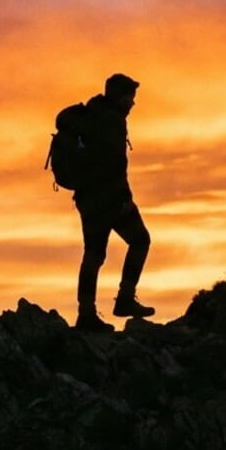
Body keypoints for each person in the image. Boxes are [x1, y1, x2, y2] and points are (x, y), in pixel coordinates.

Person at [73, 73, 153, 331]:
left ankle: (86, 314)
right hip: (108, 200)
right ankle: (125, 300)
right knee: (140, 240)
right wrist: (125, 200)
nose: (132, 104)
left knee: (93, 255)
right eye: (130, 98)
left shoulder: (92, 115)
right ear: (119, 98)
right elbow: (116, 166)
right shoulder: (112, 122)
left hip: (88, 199)